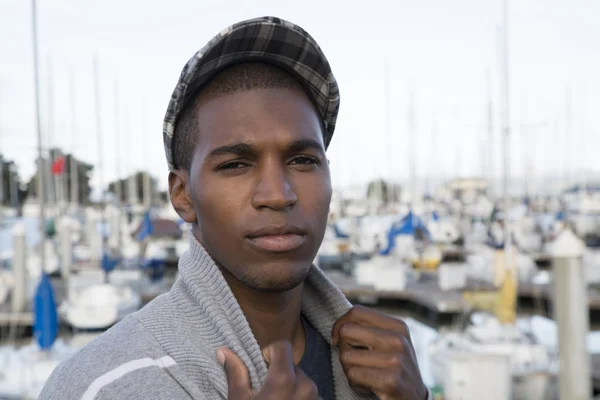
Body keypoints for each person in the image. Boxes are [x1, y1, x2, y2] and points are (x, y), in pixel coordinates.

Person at [40, 16, 428, 400]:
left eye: (303, 160)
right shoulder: (100, 386)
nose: (278, 195)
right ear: (182, 195)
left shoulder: (378, 370)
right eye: (235, 165)